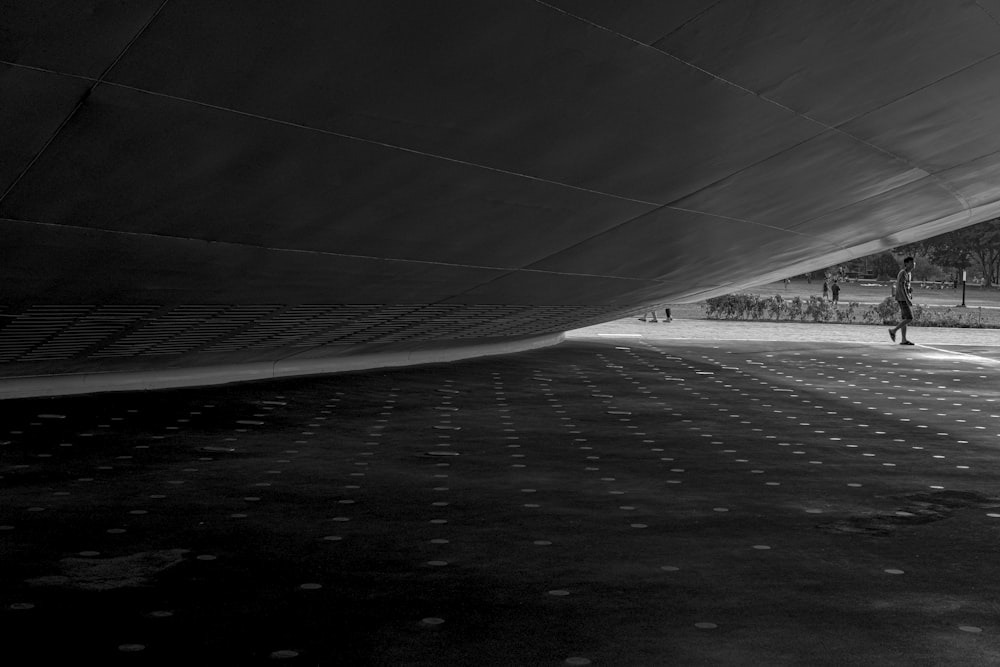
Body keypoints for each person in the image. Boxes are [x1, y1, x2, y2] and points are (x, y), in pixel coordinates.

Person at [888, 256, 916, 345]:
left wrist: (910, 290)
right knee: (909, 318)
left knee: (905, 318)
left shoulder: (909, 274)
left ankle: (903, 339)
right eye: (911, 263)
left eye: (913, 263)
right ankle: (893, 330)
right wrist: (907, 299)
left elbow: (906, 286)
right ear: (906, 264)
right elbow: (902, 287)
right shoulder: (903, 273)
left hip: (904, 298)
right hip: (902, 299)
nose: (913, 264)